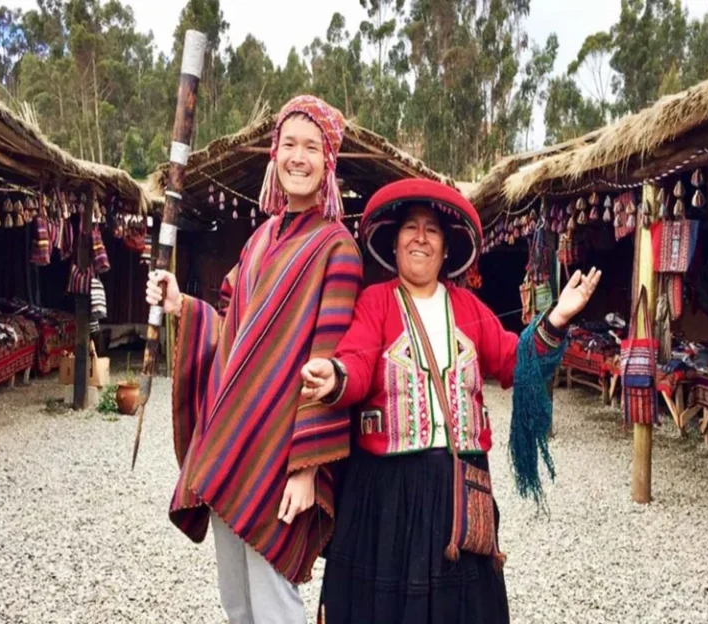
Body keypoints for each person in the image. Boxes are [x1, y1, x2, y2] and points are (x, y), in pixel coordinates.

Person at [301, 178, 601, 624]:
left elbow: (513, 362)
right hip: (388, 492)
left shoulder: (468, 308)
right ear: (395, 243)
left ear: (445, 251)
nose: (420, 238)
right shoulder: (375, 303)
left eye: (432, 230)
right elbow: (358, 360)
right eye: (410, 227)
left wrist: (556, 317)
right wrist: (335, 374)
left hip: (458, 488)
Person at [146, 95, 363, 624]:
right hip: (230, 444)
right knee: (237, 600)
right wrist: (181, 305)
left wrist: (306, 469)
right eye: (289, 144)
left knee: (274, 602)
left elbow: (325, 363)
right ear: (274, 154)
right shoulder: (259, 239)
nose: (298, 157)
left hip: (282, 452)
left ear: (328, 162)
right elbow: (233, 334)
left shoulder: (337, 249)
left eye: (311, 147)